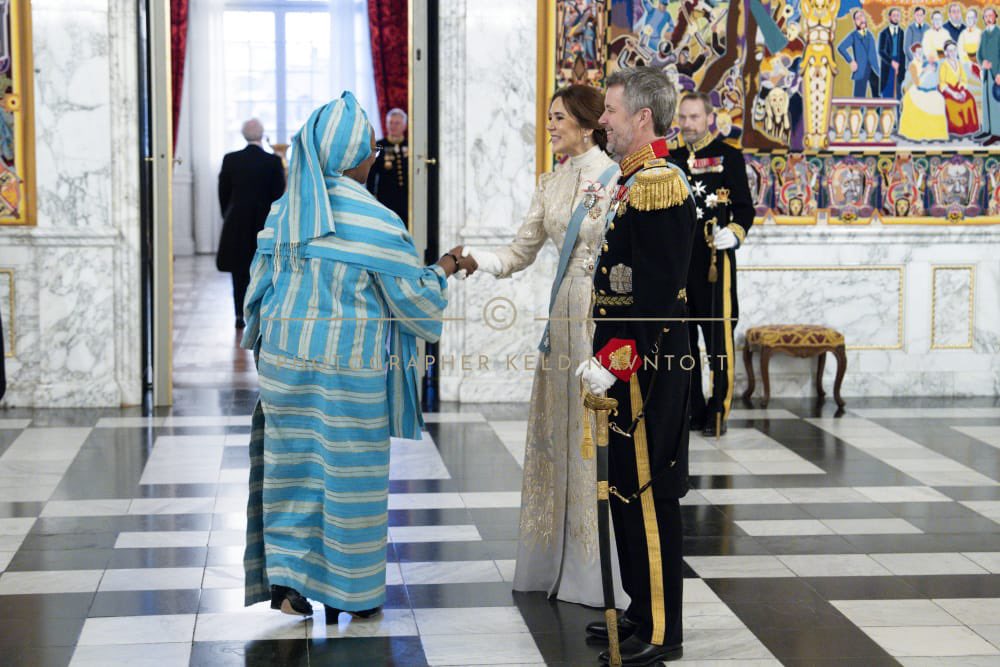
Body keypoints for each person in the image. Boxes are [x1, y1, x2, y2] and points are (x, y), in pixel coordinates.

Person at [241, 92, 476, 622]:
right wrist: (445, 266)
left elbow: (257, 291)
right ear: (351, 156)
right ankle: (349, 590)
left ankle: (289, 584)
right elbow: (414, 298)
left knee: (291, 473)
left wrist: (264, 344)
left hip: (283, 364)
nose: (375, 156)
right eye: (370, 148)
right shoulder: (375, 220)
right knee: (349, 478)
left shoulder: (285, 211)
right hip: (348, 372)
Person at [462, 85, 629, 609]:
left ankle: (596, 568)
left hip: (602, 312)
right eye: (549, 117)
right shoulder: (550, 183)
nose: (550, 126)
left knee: (591, 433)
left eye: (558, 118)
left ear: (586, 123)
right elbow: (520, 253)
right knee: (559, 432)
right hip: (562, 316)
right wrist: (474, 258)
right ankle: (555, 560)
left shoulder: (617, 178)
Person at [576, 66, 697, 666]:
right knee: (626, 488)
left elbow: (655, 303)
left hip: (650, 367)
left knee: (648, 493)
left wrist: (615, 364)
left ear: (643, 117)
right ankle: (641, 610)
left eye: (611, 110)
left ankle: (662, 630)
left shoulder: (659, 184)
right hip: (629, 364)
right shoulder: (633, 181)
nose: (603, 120)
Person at [672, 92, 754, 437]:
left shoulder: (729, 157)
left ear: (709, 118)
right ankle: (693, 409)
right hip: (678, 264)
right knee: (684, 341)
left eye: (694, 117)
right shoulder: (672, 159)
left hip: (714, 263)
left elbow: (745, 209)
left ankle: (718, 410)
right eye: (683, 117)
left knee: (718, 339)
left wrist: (734, 233)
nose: (687, 124)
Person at [216, 119, 286, 328]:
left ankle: (239, 314)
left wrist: (228, 214)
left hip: (236, 222)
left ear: (244, 135)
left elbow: (223, 192)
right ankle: (261, 314)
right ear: (262, 135)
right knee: (264, 269)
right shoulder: (273, 161)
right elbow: (278, 195)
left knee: (239, 272)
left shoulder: (231, 159)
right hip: (264, 223)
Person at [365, 108, 409, 224]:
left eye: (397, 123)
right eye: (390, 122)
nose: (393, 126)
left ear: (404, 126)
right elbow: (371, 175)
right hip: (386, 200)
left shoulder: (411, 145)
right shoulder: (379, 146)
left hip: (408, 200)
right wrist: (371, 197)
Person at [898, 44, 950, 141]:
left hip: (930, 89)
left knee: (939, 100)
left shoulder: (925, 63)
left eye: (921, 52)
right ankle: (918, 132)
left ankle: (935, 133)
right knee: (920, 101)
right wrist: (925, 72)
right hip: (916, 90)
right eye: (918, 52)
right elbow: (917, 82)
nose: (920, 54)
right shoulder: (913, 65)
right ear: (914, 53)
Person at [939, 40, 980, 136]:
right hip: (948, 89)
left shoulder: (959, 63)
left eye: (954, 50)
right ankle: (957, 129)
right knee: (952, 103)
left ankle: (970, 128)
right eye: (950, 50)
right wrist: (953, 94)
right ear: (946, 52)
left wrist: (962, 91)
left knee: (970, 99)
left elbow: (963, 78)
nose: (952, 53)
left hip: (958, 87)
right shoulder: (944, 65)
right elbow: (942, 83)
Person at [838, 10, 881, 98]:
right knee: (858, 99)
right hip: (861, 70)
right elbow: (841, 47)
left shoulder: (870, 35)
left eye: (861, 16)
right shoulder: (853, 36)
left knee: (878, 98)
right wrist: (851, 61)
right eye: (857, 18)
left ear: (865, 18)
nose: (860, 19)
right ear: (855, 22)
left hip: (874, 70)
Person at [977, 8, 1000, 145]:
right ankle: (987, 129)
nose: (988, 18)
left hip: (996, 73)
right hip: (986, 73)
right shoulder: (984, 34)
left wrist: (999, 73)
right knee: (986, 102)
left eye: (990, 16)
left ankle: (997, 133)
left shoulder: (998, 33)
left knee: (996, 103)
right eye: (986, 16)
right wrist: (982, 63)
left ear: (995, 17)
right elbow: (979, 53)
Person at [879, 8, 906, 99]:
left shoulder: (902, 32)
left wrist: (901, 66)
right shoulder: (884, 33)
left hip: (899, 64)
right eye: (894, 15)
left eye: (898, 15)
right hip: (888, 64)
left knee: (899, 91)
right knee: (887, 90)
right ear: (889, 17)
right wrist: (891, 62)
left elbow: (902, 51)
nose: (896, 17)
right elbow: (881, 51)